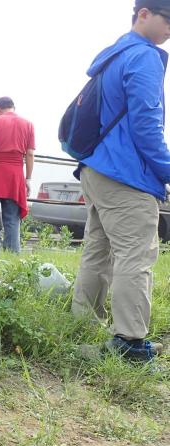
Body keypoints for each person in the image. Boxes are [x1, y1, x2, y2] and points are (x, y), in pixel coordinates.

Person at [71, 0, 170, 361]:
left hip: (97, 167)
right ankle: (129, 344)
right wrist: (167, 170)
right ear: (143, 14)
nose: (169, 29)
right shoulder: (143, 56)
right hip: (126, 174)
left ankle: (84, 324)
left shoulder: (113, 55)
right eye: (168, 19)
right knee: (136, 255)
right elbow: (147, 126)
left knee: (98, 250)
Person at [0, 96, 35, 253]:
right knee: (12, 221)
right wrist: (28, 179)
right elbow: (29, 154)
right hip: (15, 176)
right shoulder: (28, 124)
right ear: (13, 107)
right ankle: (12, 257)